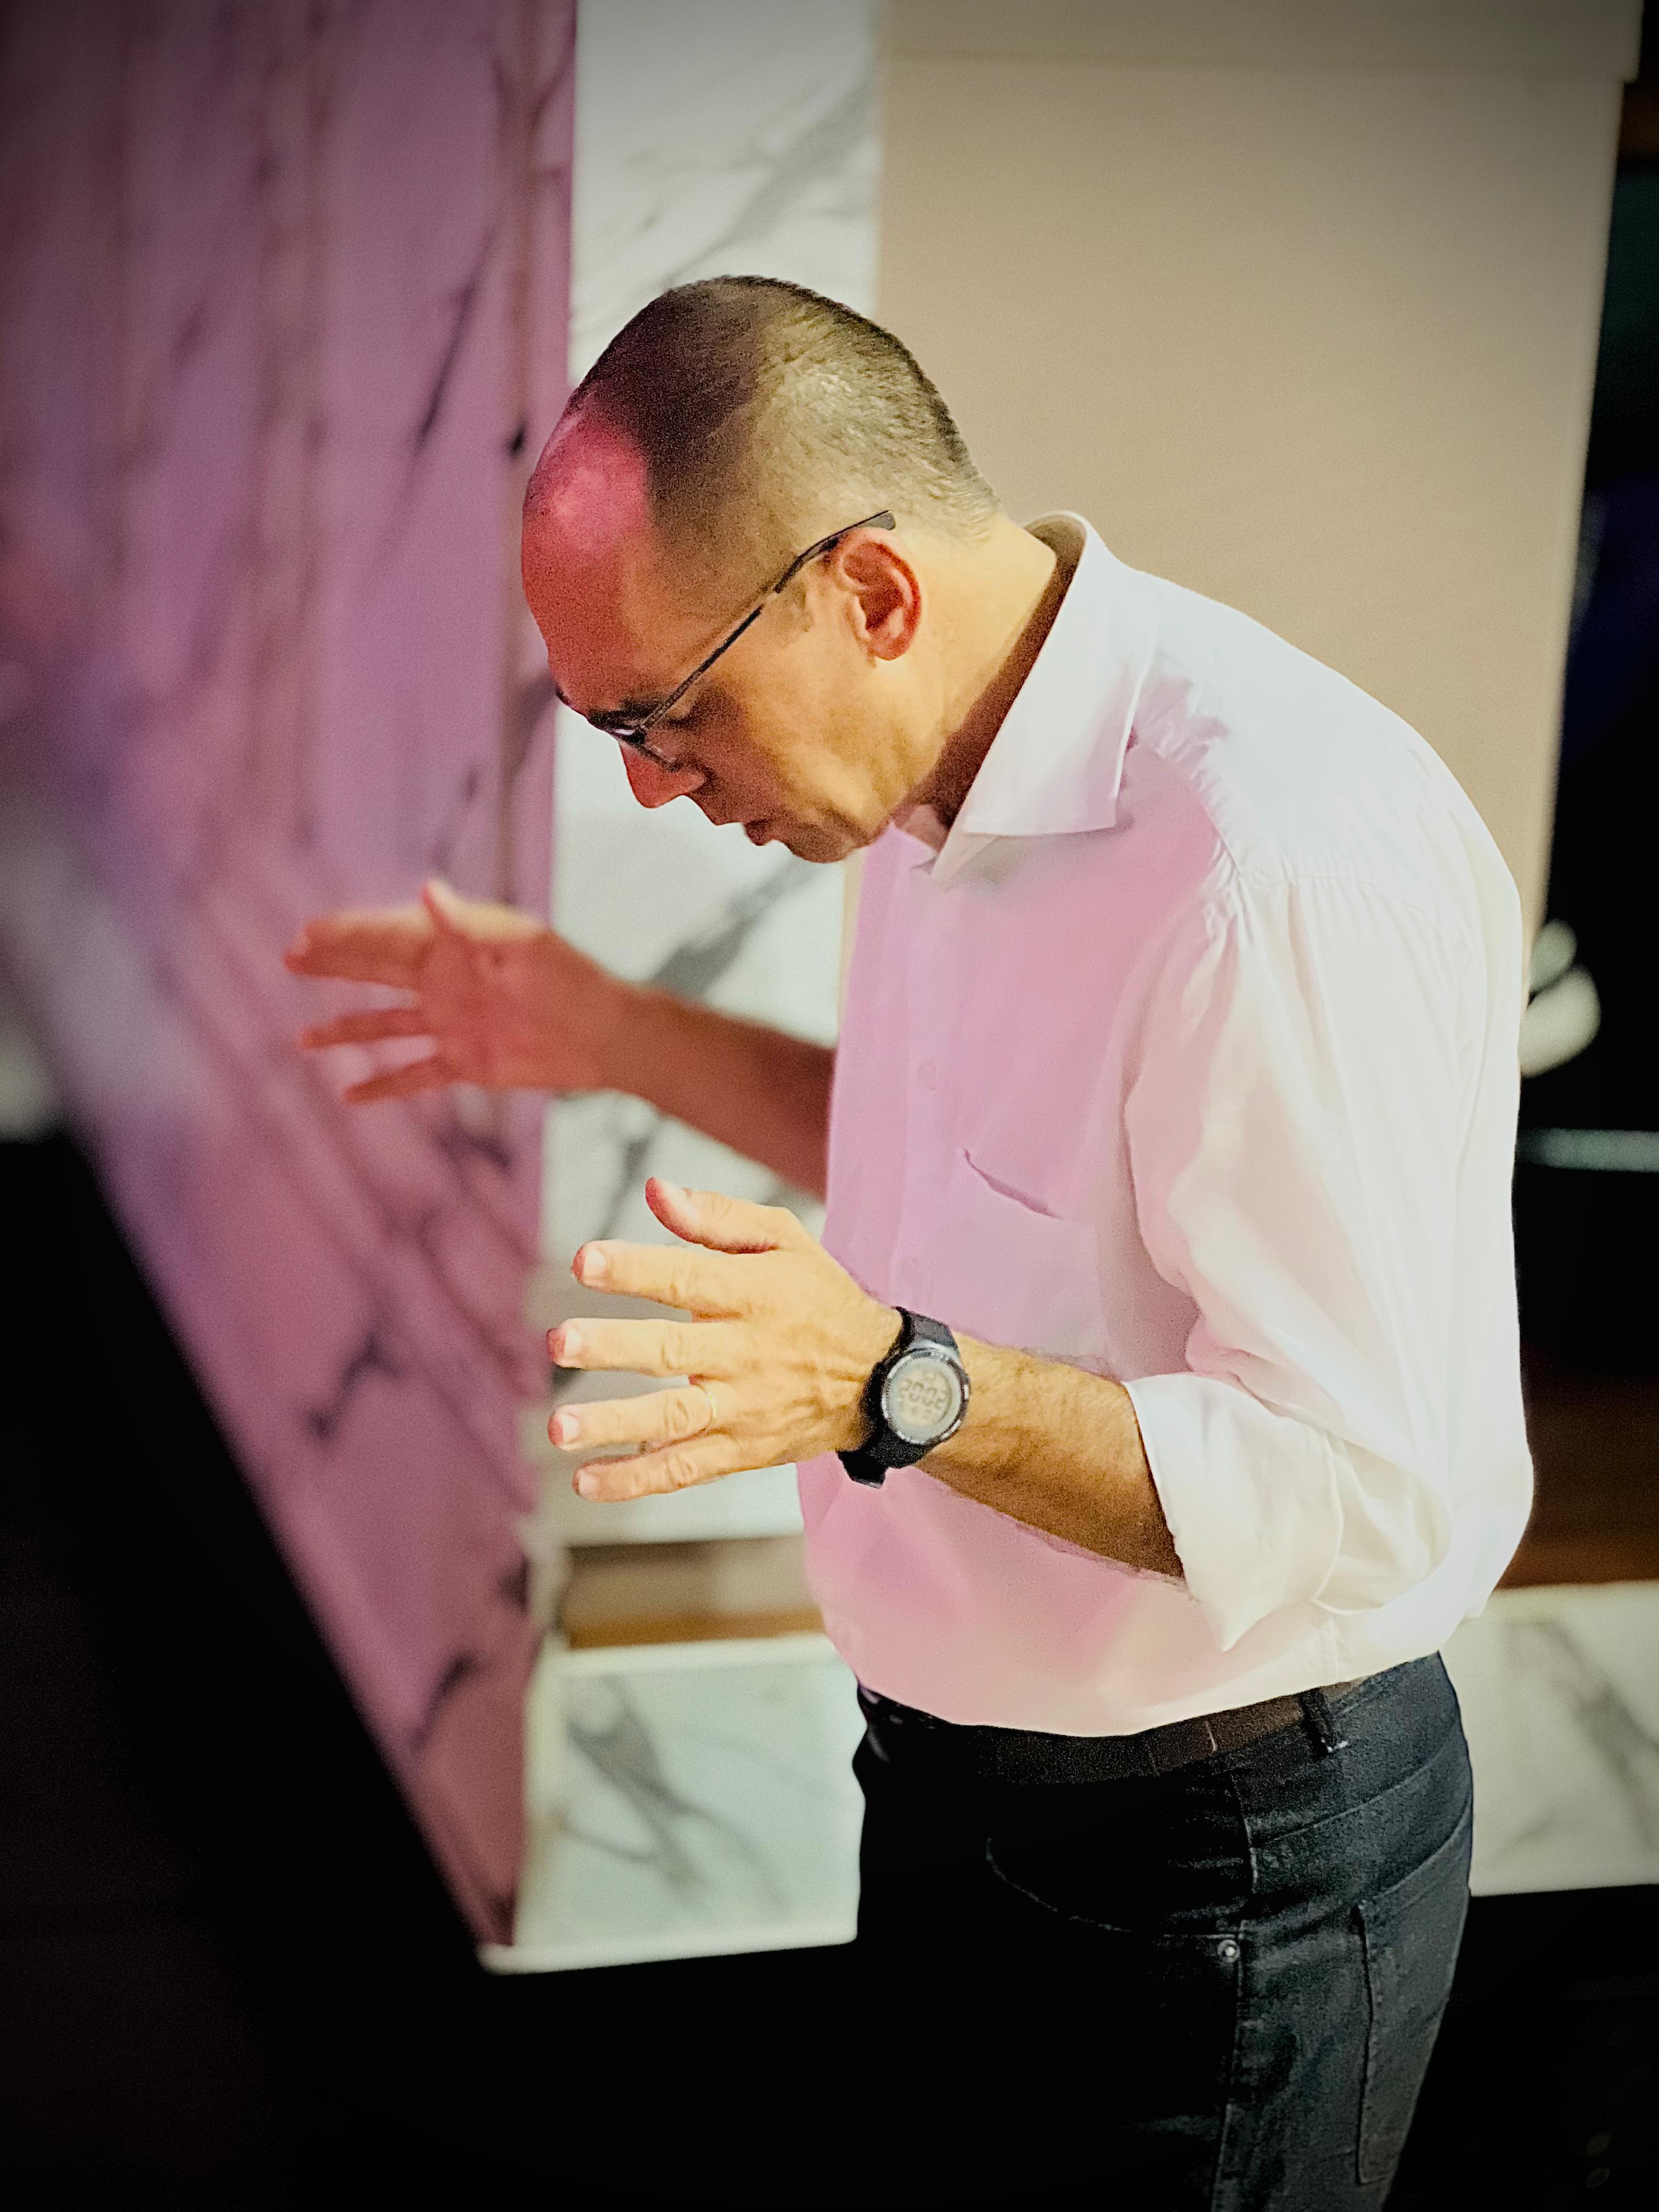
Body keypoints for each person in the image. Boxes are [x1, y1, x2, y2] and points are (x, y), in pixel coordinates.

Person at [285, 277, 1532, 2207]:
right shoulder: (931, 780)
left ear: (868, 593)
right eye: (607, 725)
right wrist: (604, 1028)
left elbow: (1355, 1488)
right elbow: (955, 1174)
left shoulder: (1269, 864)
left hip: (1228, 1882)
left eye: (669, 715)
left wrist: (890, 1383)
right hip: (959, 1808)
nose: (648, 782)